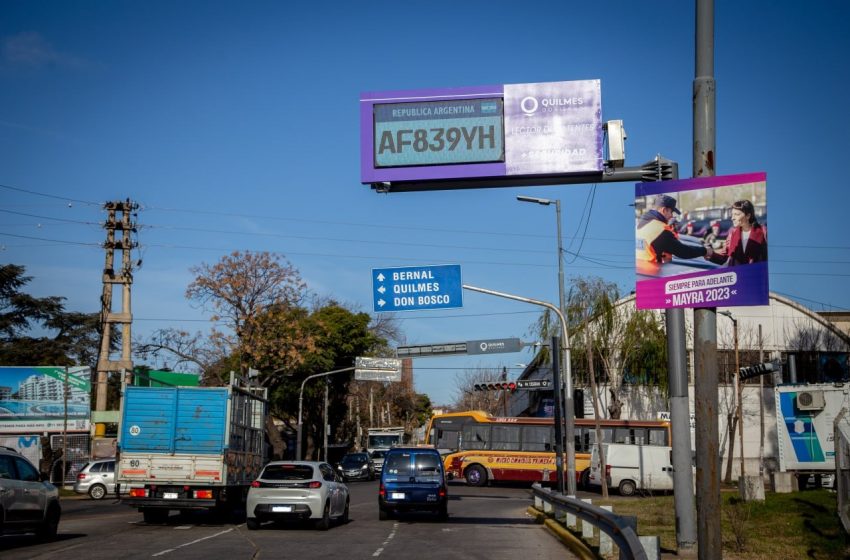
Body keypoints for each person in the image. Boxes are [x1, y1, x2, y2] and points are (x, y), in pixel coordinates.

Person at [636, 195, 712, 265]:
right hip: (652, 273)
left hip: (640, 271)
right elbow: (683, 251)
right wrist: (704, 251)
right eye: (671, 212)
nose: (672, 216)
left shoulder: (641, 223)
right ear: (664, 210)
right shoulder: (660, 230)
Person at [707, 199, 767, 266]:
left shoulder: (763, 231)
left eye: (736, 214)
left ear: (748, 216)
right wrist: (710, 254)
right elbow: (724, 257)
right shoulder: (732, 233)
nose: (732, 218)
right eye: (732, 214)